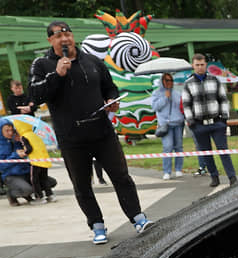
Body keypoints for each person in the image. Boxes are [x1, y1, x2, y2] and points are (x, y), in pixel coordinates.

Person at [29, 21, 152, 244]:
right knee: (82, 184)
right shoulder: (42, 64)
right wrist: (57, 74)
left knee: (121, 177)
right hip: (71, 137)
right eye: (57, 36)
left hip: (102, 131)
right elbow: (36, 96)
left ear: (72, 36)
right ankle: (97, 225)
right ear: (50, 40)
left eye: (67, 33)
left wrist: (111, 100)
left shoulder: (92, 61)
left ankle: (138, 217)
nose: (64, 39)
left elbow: (109, 87)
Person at [182, 53, 237, 187]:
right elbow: (186, 104)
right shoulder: (188, 84)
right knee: (206, 153)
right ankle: (214, 176)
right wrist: (192, 122)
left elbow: (223, 99)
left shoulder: (215, 80)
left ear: (205, 64)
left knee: (223, 151)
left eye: (202, 64)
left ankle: (232, 177)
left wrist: (224, 118)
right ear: (193, 66)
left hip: (217, 122)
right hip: (199, 125)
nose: (200, 67)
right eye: (197, 65)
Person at [13, 119, 56, 202]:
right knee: (44, 178)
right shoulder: (34, 135)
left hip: (36, 161)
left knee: (35, 180)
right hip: (44, 159)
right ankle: (50, 195)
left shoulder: (24, 136)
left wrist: (24, 152)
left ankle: (39, 197)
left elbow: (29, 149)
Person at [151, 72, 184, 180]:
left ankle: (179, 169)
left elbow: (180, 106)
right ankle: (167, 171)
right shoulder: (156, 93)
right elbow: (155, 107)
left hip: (178, 122)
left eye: (171, 80)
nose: (169, 83)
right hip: (165, 124)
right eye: (167, 80)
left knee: (178, 146)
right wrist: (165, 98)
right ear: (162, 81)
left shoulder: (177, 93)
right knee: (168, 147)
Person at [0, 118, 36, 205]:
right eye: (7, 130)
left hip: (25, 171)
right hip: (10, 175)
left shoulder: (16, 140)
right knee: (28, 189)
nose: (10, 133)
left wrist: (22, 141)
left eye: (12, 130)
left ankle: (25, 192)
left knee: (49, 182)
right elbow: (2, 166)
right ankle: (12, 194)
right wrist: (16, 155)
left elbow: (29, 152)